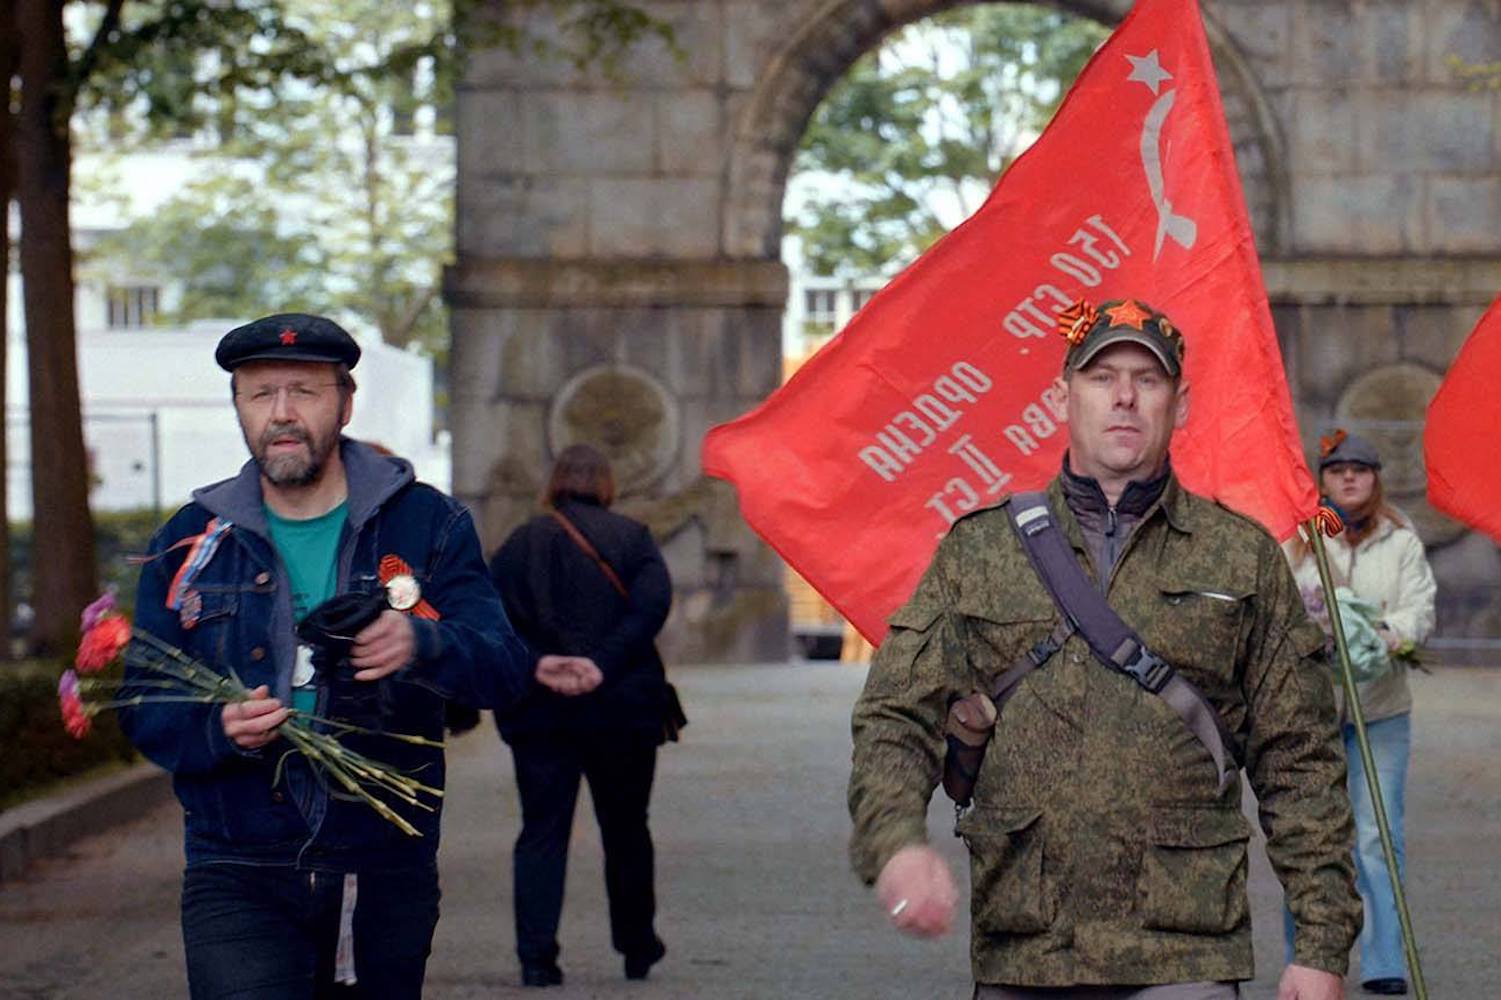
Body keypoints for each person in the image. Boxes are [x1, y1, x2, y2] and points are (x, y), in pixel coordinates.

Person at [848, 299, 1364, 1000]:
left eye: (1147, 381)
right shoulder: (980, 550)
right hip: (1026, 946)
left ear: (1179, 406)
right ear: (1062, 398)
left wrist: (1321, 945)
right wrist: (896, 843)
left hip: (1181, 949)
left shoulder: (1238, 556)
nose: (1123, 397)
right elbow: (894, 717)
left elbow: (1298, 759)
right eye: (1101, 377)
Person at [118, 313, 598, 999]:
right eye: (260, 394)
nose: (282, 413)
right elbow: (141, 702)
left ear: (344, 402)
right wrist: (213, 728)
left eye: (304, 391)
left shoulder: (428, 523)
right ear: (238, 408)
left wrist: (421, 641)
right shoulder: (191, 539)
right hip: (236, 861)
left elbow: (502, 667)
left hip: (380, 864)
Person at [488, 443, 673, 988]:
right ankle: (637, 946)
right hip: (621, 708)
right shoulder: (634, 538)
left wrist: (541, 662)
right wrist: (601, 664)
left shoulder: (520, 543)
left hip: (541, 710)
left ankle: (537, 958)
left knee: (542, 830)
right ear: (607, 484)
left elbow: (492, 617)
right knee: (626, 828)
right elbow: (651, 609)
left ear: (555, 483)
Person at [1283, 431, 1436, 997]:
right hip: (1314, 715)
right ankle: (1309, 957)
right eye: (1338, 469)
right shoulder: (1300, 538)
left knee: (1376, 837)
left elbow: (1419, 606)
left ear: (1375, 479)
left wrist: (1386, 636)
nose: (1349, 478)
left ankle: (1384, 961)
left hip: (1381, 710)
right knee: (1310, 838)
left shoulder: (1399, 540)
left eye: (1360, 470)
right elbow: (1281, 607)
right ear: (1322, 480)